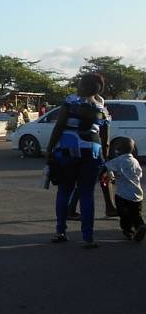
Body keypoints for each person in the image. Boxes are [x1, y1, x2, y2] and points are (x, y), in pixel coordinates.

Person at [46, 73, 110, 248]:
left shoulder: (71, 102)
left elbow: (59, 126)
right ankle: (88, 238)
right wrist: (104, 157)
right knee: (87, 194)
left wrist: (50, 148)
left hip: (67, 151)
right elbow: (104, 137)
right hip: (92, 153)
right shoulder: (101, 108)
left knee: (64, 192)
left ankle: (60, 232)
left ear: (82, 86)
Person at [101, 137, 145, 241]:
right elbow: (139, 174)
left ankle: (128, 231)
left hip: (123, 195)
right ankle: (140, 226)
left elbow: (106, 166)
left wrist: (108, 175)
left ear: (118, 150)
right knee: (136, 213)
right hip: (137, 194)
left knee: (124, 214)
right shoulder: (135, 161)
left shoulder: (118, 160)